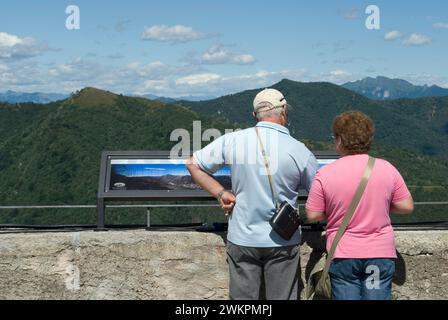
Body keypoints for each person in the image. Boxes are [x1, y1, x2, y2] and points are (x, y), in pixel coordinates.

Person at [186, 88, 318, 300]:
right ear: (284, 111)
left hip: (242, 237)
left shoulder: (233, 140)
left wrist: (221, 193)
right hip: (283, 241)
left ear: (254, 115)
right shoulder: (300, 150)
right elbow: (317, 197)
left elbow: (193, 164)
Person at [305, 111, 414, 300]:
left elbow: (313, 215)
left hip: (343, 252)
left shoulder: (325, 173)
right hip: (380, 252)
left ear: (339, 140)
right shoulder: (387, 168)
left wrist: (335, 210)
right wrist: (381, 206)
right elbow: (406, 206)